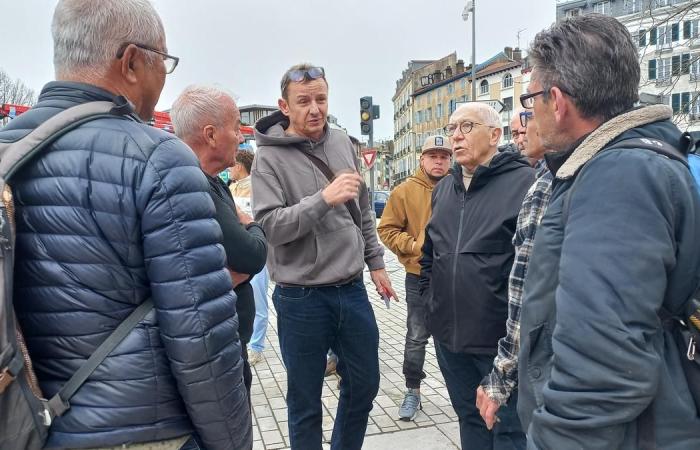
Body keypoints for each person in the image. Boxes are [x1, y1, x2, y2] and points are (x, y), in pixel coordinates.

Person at [0, 1, 252, 449]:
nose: (162, 79)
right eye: (164, 62)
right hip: (138, 430)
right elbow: (202, 336)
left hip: (23, 428)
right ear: (132, 61)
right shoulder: (158, 159)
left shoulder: (6, 152)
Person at [517, 14, 700, 449]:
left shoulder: (619, 175)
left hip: (632, 434)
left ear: (556, 100)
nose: (530, 115)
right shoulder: (631, 161)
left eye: (530, 101)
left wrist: (555, 440)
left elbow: (603, 363)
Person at [251, 63, 396, 450]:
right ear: (285, 106)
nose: (315, 109)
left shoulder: (343, 143)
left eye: (321, 99)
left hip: (351, 290)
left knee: (364, 384)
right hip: (301, 298)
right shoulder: (268, 159)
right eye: (304, 101)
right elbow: (269, 227)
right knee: (305, 401)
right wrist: (323, 199)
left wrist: (376, 262)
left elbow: (363, 210)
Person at [419, 103, 534, 449]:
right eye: (452, 126)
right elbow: (430, 255)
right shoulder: (444, 189)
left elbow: (532, 269)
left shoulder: (525, 183)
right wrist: (430, 305)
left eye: (467, 126)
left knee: (508, 431)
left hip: (498, 345)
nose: (455, 135)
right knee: (469, 421)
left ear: (495, 135)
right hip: (450, 340)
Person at [171, 85, 268, 402]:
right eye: (236, 127)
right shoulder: (197, 186)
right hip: (215, 355)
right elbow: (252, 256)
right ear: (211, 135)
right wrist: (252, 223)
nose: (241, 137)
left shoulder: (198, 179)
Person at [476, 107, 554, 431]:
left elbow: (526, 291)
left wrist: (501, 377)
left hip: (552, 358)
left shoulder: (544, 185)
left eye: (530, 115)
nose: (521, 133)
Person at [377, 135, 451, 421]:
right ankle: (412, 391)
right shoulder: (404, 191)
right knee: (417, 335)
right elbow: (387, 229)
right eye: (433, 155)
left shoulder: (461, 186)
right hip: (419, 275)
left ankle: (460, 389)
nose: (439, 161)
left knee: (454, 334)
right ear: (422, 159)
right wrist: (412, 246)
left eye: (444, 156)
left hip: (455, 276)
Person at [230, 149, 270, 366]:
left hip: (257, 247)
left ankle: (256, 346)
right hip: (241, 248)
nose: (229, 170)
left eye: (232, 166)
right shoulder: (231, 188)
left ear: (239, 165)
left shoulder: (257, 187)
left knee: (259, 298)